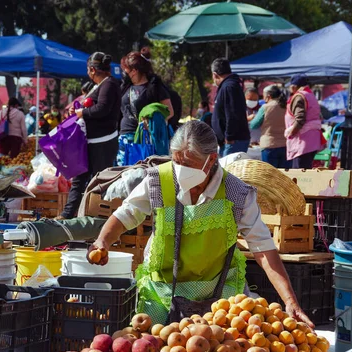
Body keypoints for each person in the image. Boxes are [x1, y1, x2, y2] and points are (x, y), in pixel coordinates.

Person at [87, 120, 314, 327]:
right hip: (162, 292)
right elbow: (127, 213)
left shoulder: (237, 193)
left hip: (219, 296)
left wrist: (289, 301)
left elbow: (263, 247)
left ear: (211, 160)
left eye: (188, 163)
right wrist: (102, 241)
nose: (180, 169)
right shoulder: (158, 180)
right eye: (176, 161)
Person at [60, 52, 121, 219]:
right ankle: (68, 213)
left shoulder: (109, 84)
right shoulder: (99, 85)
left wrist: (82, 112)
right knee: (79, 178)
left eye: (88, 69)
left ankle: (99, 218)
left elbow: (102, 109)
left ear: (92, 69)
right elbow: (91, 106)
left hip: (103, 142)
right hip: (89, 141)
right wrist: (77, 110)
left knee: (99, 181)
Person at [118, 47, 174, 165]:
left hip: (142, 139)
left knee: (141, 172)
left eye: (127, 70)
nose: (125, 73)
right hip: (124, 136)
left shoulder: (154, 87)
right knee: (122, 173)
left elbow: (169, 111)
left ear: (134, 71)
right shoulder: (126, 87)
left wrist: (152, 122)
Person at [211, 58, 250, 157]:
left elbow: (232, 114)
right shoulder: (229, 86)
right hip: (230, 141)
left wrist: (229, 137)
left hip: (233, 141)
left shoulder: (229, 87)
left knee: (229, 171)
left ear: (215, 75)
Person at [285, 74, 324, 169]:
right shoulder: (310, 95)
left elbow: (300, 119)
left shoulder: (299, 96)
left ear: (294, 86)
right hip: (312, 140)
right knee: (306, 171)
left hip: (302, 140)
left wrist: (291, 132)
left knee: (299, 174)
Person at [249, 85, 289, 168]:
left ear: (268, 96)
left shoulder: (265, 107)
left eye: (263, 96)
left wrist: (252, 118)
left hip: (269, 145)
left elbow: (254, 125)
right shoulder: (286, 106)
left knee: (270, 176)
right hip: (285, 145)